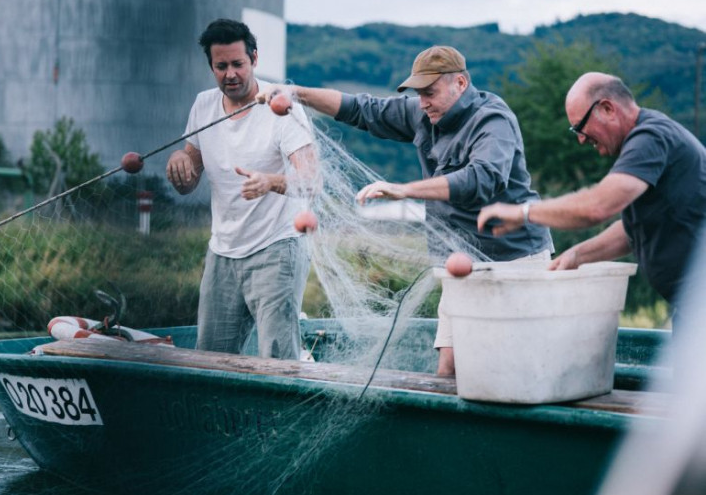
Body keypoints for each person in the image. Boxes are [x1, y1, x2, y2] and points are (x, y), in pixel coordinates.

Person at [260, 46, 553, 375]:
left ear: (460, 83)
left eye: (430, 92)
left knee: (517, 370)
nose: (422, 102)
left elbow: (481, 179)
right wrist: (295, 93)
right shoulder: (423, 114)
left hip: (515, 261)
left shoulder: (493, 120)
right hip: (461, 265)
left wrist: (406, 190)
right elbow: (361, 109)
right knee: (449, 369)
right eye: (418, 94)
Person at [478, 72, 706, 308]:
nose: (581, 139)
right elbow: (632, 231)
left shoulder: (651, 138)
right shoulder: (647, 140)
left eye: (580, 127)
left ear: (607, 109)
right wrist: (577, 255)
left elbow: (597, 207)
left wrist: (524, 213)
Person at [166, 18, 318, 360]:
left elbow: (312, 181)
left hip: (277, 247)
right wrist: (179, 160)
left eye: (238, 64)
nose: (230, 74)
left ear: (254, 59)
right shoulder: (203, 106)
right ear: (211, 67)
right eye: (221, 67)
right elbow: (188, 182)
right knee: (210, 358)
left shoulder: (281, 107)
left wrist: (270, 182)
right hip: (222, 251)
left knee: (277, 360)